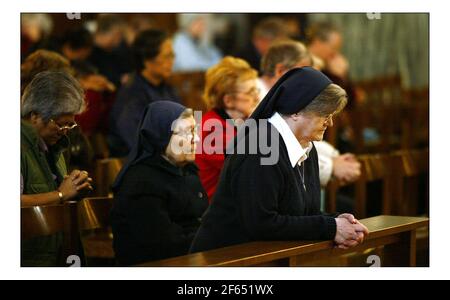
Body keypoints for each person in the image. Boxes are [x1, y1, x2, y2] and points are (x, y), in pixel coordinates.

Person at [190, 67, 369, 253]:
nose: (330, 123)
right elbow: (261, 223)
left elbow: (302, 215)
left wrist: (338, 221)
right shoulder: (261, 146)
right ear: (296, 111)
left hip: (264, 255)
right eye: (325, 115)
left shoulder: (306, 146)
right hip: (224, 258)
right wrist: (331, 228)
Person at [110, 101, 208, 266]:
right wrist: (211, 236)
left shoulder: (187, 170)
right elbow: (164, 245)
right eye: (187, 132)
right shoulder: (142, 181)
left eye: (195, 131)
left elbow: (201, 219)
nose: (196, 139)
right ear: (160, 135)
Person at [259, 40, 361, 187]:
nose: (307, 79)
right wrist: (331, 166)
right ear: (281, 71)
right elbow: (285, 149)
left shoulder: (291, 102)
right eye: (302, 72)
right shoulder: (257, 100)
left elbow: (303, 136)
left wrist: (334, 156)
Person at [21, 70, 93, 266]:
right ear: (35, 115)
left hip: (57, 252)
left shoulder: (53, 145)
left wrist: (75, 187)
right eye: (61, 125)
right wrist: (61, 195)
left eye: (69, 126)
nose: (64, 133)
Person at [109, 29, 181, 157]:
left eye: (173, 55)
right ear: (147, 60)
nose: (172, 61)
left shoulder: (167, 88)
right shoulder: (131, 94)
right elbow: (135, 142)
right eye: (166, 56)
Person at [196, 57, 259, 200]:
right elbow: (252, 171)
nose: (257, 97)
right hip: (216, 215)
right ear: (229, 100)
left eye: (257, 90)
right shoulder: (213, 129)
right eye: (250, 92)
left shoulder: (237, 122)